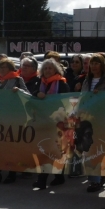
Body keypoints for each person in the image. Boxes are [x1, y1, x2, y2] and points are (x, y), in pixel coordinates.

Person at [0, 59, 28, 184]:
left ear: (10, 68)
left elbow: (28, 95)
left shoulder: (17, 80)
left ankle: (11, 173)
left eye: (4, 67)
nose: (2, 70)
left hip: (12, 119)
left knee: (11, 148)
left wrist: (18, 91)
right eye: (0, 68)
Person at [81, 54, 105, 193]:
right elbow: (82, 99)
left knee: (97, 151)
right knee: (90, 151)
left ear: (102, 65)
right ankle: (97, 179)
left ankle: (96, 180)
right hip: (87, 121)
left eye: (96, 63)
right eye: (92, 63)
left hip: (102, 121)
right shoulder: (87, 81)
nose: (93, 66)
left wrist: (102, 97)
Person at [31, 59, 70, 190]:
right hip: (43, 122)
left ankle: (55, 177)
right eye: (45, 68)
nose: (48, 70)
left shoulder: (62, 83)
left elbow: (67, 100)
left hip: (58, 122)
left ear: (56, 70)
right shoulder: (39, 82)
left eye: (50, 68)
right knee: (44, 150)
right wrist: (37, 93)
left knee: (56, 151)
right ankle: (44, 178)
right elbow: (32, 94)